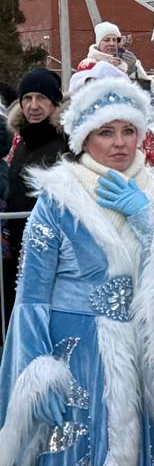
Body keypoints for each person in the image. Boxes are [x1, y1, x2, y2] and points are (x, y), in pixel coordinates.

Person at [0, 62, 154, 466]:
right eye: (107, 132)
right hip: (81, 358)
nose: (120, 143)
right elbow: (32, 295)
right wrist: (37, 367)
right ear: (84, 138)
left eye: (129, 130)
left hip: (149, 358)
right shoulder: (58, 197)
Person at [3, 69, 70, 314]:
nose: (33, 105)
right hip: (18, 246)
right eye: (27, 98)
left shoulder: (65, 143)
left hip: (47, 253)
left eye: (41, 98)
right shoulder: (25, 140)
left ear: (54, 103)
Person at [85, 21, 150, 87]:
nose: (112, 43)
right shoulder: (88, 64)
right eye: (106, 40)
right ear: (99, 43)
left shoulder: (130, 61)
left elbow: (147, 91)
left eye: (115, 40)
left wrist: (133, 70)